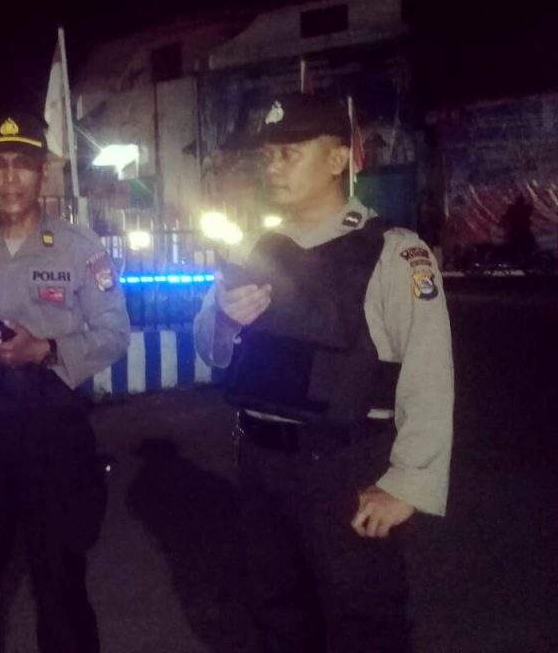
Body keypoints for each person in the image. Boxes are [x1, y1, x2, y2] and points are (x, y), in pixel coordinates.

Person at [193, 94, 454, 653]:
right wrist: (223, 319)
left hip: (343, 468)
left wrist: (408, 483)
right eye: (268, 155)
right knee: (277, 618)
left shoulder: (392, 252)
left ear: (337, 160)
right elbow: (211, 350)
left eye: (289, 153)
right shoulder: (256, 247)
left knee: (365, 624)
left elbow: (430, 374)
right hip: (261, 462)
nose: (273, 167)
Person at [0, 112, 130, 653]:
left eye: (23, 165)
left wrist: (47, 349)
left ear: (43, 175)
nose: (11, 178)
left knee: (59, 578)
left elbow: (114, 332)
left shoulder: (80, 248)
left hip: (51, 428)